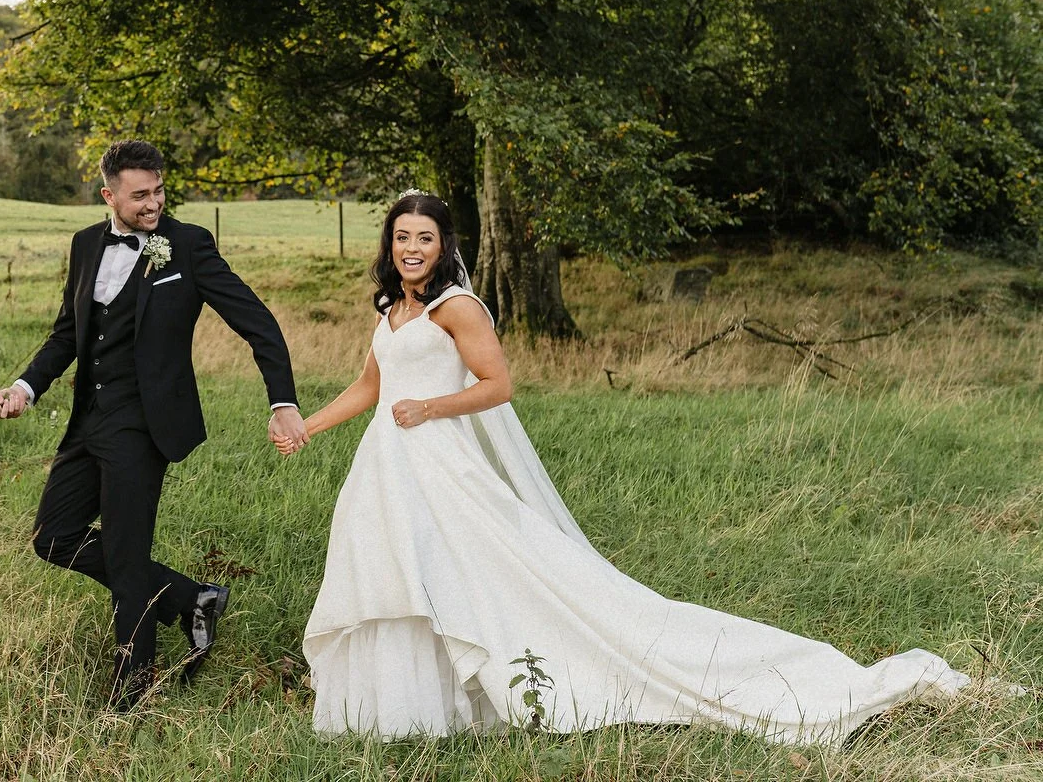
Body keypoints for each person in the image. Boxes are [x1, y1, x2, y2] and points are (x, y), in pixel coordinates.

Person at [274, 191, 968, 743]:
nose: (412, 248)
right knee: (397, 572)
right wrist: (308, 424)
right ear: (389, 244)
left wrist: (432, 406)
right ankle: (407, 706)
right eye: (402, 237)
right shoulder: (391, 310)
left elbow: (499, 385)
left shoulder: (458, 308)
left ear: (445, 245)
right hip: (387, 467)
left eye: (424, 238)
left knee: (481, 573)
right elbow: (370, 386)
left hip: (441, 462)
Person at [0, 140, 308, 709]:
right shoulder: (85, 244)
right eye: (140, 194)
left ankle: (132, 691)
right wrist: (25, 387)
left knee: (125, 551)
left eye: (159, 190)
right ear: (108, 195)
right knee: (52, 537)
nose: (153, 203)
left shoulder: (187, 245)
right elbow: (67, 334)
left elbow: (257, 321)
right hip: (88, 419)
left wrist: (281, 400)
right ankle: (191, 599)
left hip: (145, 423)